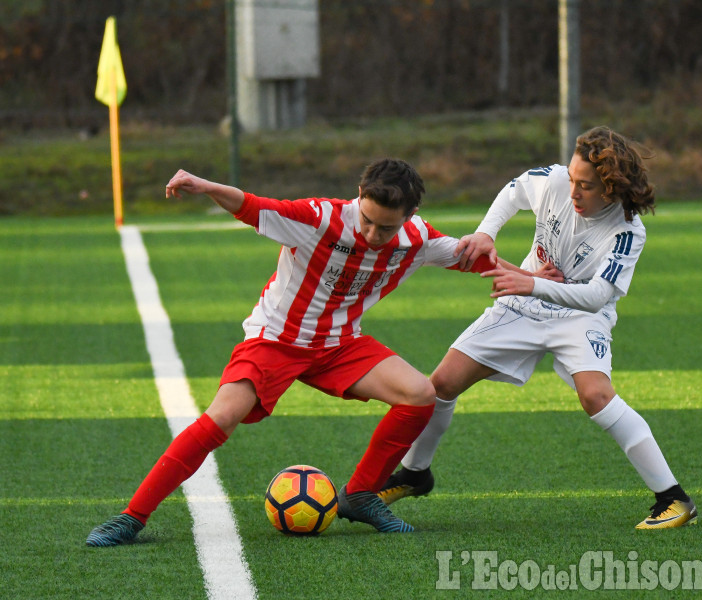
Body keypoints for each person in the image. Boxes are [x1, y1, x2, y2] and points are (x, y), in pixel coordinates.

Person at [86, 157, 541, 545]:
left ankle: (361, 496)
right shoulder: (319, 217)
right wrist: (203, 185)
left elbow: (471, 258)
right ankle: (132, 517)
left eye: (387, 226)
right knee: (222, 416)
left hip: (340, 345)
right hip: (275, 340)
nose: (373, 232)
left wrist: (539, 280)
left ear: (411, 214)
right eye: (366, 219)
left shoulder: (415, 238)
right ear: (357, 194)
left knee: (420, 394)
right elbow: (253, 206)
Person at [377, 127, 698, 530]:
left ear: (613, 189)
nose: (574, 191)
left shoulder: (628, 231)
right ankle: (414, 474)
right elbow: (513, 192)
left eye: (587, 186)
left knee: (596, 396)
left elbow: (598, 295)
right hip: (523, 303)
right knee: (441, 385)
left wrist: (533, 283)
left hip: (580, 317)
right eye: (573, 179)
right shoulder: (556, 180)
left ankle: (673, 499)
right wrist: (485, 233)